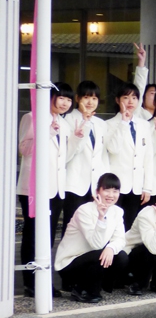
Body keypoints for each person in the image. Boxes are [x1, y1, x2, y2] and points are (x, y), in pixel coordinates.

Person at [17, 82, 73, 297]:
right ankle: (31, 283)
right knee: (33, 235)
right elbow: (24, 149)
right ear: (50, 97)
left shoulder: (64, 123)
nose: (65, 103)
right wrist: (47, 132)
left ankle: (43, 281)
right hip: (34, 188)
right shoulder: (32, 117)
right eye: (61, 98)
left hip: (56, 188)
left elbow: (64, 157)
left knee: (47, 238)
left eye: (68, 100)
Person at [55, 173, 129, 303]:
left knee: (121, 256)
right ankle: (80, 289)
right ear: (97, 191)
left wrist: (111, 248)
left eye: (115, 191)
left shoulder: (117, 211)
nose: (111, 195)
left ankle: (95, 287)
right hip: (70, 264)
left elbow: (120, 239)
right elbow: (96, 244)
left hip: (92, 258)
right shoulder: (84, 210)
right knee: (100, 254)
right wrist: (101, 218)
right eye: (107, 190)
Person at [104, 83, 155, 231]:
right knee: (112, 227)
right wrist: (124, 124)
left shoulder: (144, 125)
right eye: (126, 97)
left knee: (130, 227)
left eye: (134, 97)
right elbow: (113, 149)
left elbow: (148, 157)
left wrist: (147, 187)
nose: (130, 101)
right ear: (118, 100)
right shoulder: (108, 124)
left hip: (137, 186)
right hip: (116, 187)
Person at [64, 81, 108, 232]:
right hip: (74, 183)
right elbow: (73, 150)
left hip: (95, 185)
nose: (90, 102)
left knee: (93, 226)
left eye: (94, 98)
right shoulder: (68, 119)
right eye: (86, 97)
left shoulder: (101, 123)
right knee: (72, 226)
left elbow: (103, 155)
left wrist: (105, 181)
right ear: (77, 98)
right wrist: (85, 122)